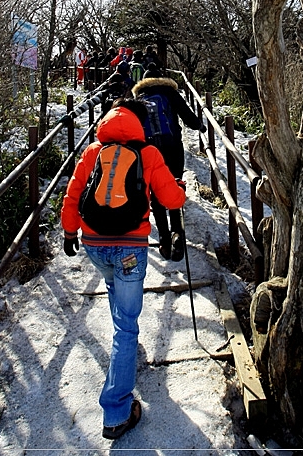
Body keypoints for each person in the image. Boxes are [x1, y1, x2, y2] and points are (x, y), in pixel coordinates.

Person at [61, 98, 186, 439]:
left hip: (95, 244)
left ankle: (124, 350)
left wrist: (69, 230)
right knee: (127, 327)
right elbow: (172, 200)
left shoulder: (92, 152)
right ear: (139, 123)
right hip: (130, 247)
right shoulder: (148, 154)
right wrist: (181, 191)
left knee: (113, 287)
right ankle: (117, 409)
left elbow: (73, 194)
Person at [132, 65, 206, 261]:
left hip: (148, 151)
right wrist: (200, 126)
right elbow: (187, 115)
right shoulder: (169, 92)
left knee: (156, 192)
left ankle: (164, 237)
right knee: (174, 187)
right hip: (172, 147)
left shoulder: (138, 97)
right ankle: (177, 234)